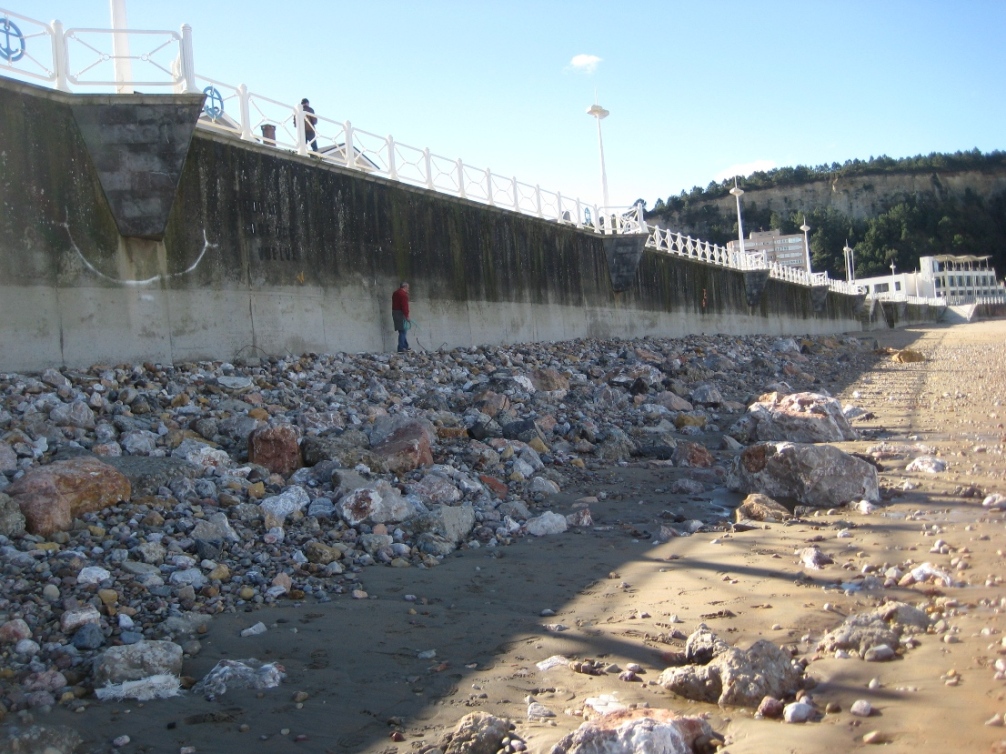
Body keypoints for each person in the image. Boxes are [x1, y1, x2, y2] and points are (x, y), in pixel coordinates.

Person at [391, 282, 411, 352]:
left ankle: (405, 346)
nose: (408, 289)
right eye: (407, 287)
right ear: (404, 287)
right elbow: (404, 306)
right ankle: (401, 347)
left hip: (395, 312)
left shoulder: (395, 293)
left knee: (401, 330)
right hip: (400, 313)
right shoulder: (403, 295)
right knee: (403, 331)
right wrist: (407, 316)